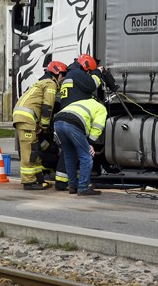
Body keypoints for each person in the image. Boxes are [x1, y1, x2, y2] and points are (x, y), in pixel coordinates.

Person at [53, 54, 115, 190]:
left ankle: (70, 185)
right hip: (74, 122)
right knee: (85, 156)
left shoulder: (69, 76)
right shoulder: (77, 73)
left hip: (62, 118)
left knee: (69, 154)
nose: (88, 74)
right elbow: (91, 84)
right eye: (88, 71)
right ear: (86, 66)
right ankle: (83, 188)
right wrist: (97, 72)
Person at [13, 61, 67, 190]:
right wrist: (44, 126)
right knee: (29, 150)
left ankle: (37, 179)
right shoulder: (50, 84)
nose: (64, 78)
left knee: (34, 149)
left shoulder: (42, 82)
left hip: (25, 118)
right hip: (27, 118)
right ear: (57, 73)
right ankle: (28, 182)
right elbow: (48, 106)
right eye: (63, 74)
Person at [52, 97, 107, 196]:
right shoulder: (101, 108)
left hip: (58, 122)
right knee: (86, 157)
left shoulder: (81, 101)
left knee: (69, 156)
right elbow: (98, 127)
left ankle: (72, 186)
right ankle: (83, 188)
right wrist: (89, 143)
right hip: (73, 124)